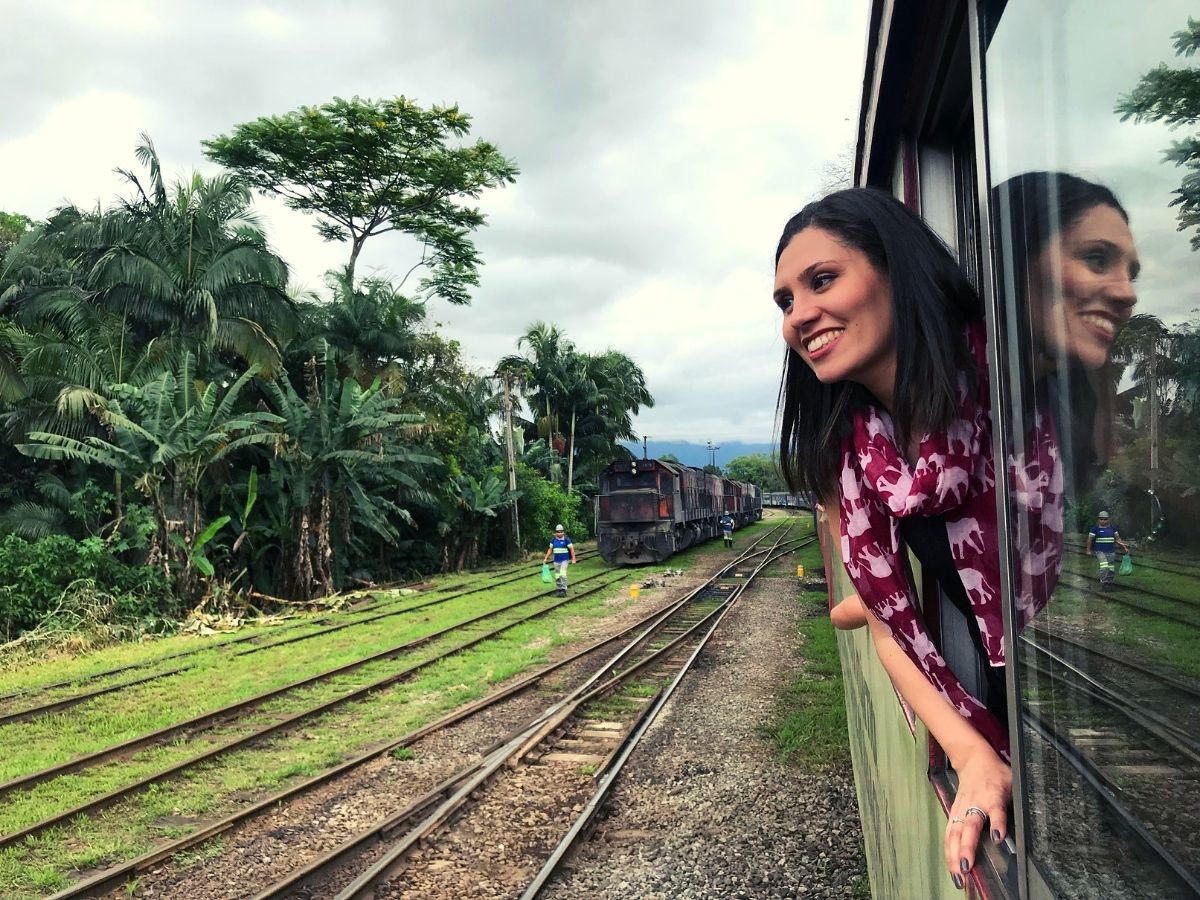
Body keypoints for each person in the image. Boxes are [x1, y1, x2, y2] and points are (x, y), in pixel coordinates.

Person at [773, 187, 1055, 888]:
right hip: (997, 709)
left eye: (822, 279)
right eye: (784, 301)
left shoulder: (1016, 380)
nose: (799, 316)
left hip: (1071, 695)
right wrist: (970, 755)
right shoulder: (853, 454)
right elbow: (887, 626)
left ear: (898, 271)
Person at [1086, 510, 1129, 590]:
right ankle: (1104, 582)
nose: (1103, 521)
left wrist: (1124, 547)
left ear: (1108, 519)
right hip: (1100, 551)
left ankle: (1110, 582)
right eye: (1101, 519)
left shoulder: (1112, 528)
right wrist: (1088, 550)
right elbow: (1090, 539)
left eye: (1105, 519)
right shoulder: (1095, 529)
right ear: (1098, 519)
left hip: (1111, 551)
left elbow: (1118, 539)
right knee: (1104, 566)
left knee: (1111, 567)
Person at [543, 524, 576, 597]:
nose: (560, 533)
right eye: (558, 532)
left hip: (564, 560)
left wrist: (573, 558)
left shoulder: (566, 540)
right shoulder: (553, 540)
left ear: (563, 532)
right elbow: (550, 549)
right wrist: (546, 557)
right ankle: (559, 588)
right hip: (556, 561)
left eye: (561, 531)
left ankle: (563, 589)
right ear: (556, 532)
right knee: (557, 575)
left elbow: (571, 549)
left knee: (563, 574)